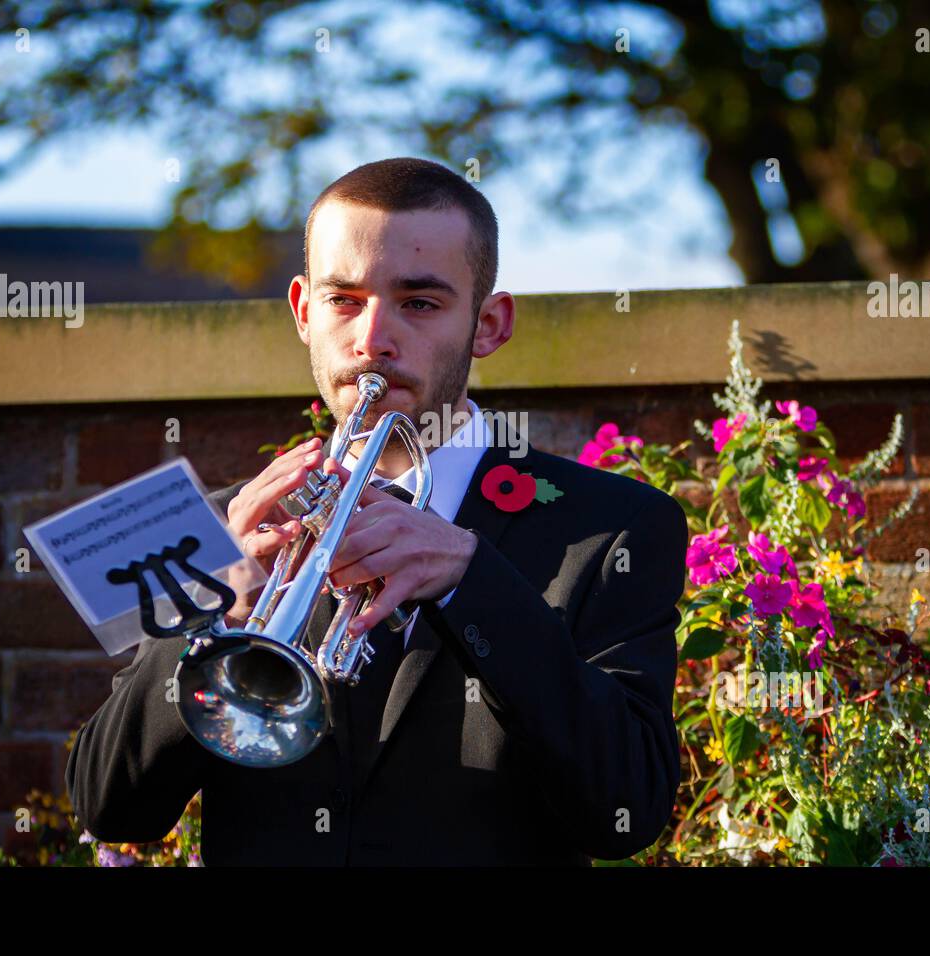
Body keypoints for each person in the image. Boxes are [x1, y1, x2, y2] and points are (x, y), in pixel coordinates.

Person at [66, 157, 688, 865]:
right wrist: (212, 616)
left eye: (419, 303)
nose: (372, 340)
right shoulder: (214, 523)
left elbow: (626, 812)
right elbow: (109, 804)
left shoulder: (616, 525)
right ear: (303, 311)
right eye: (344, 300)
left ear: (489, 324)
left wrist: (473, 579)